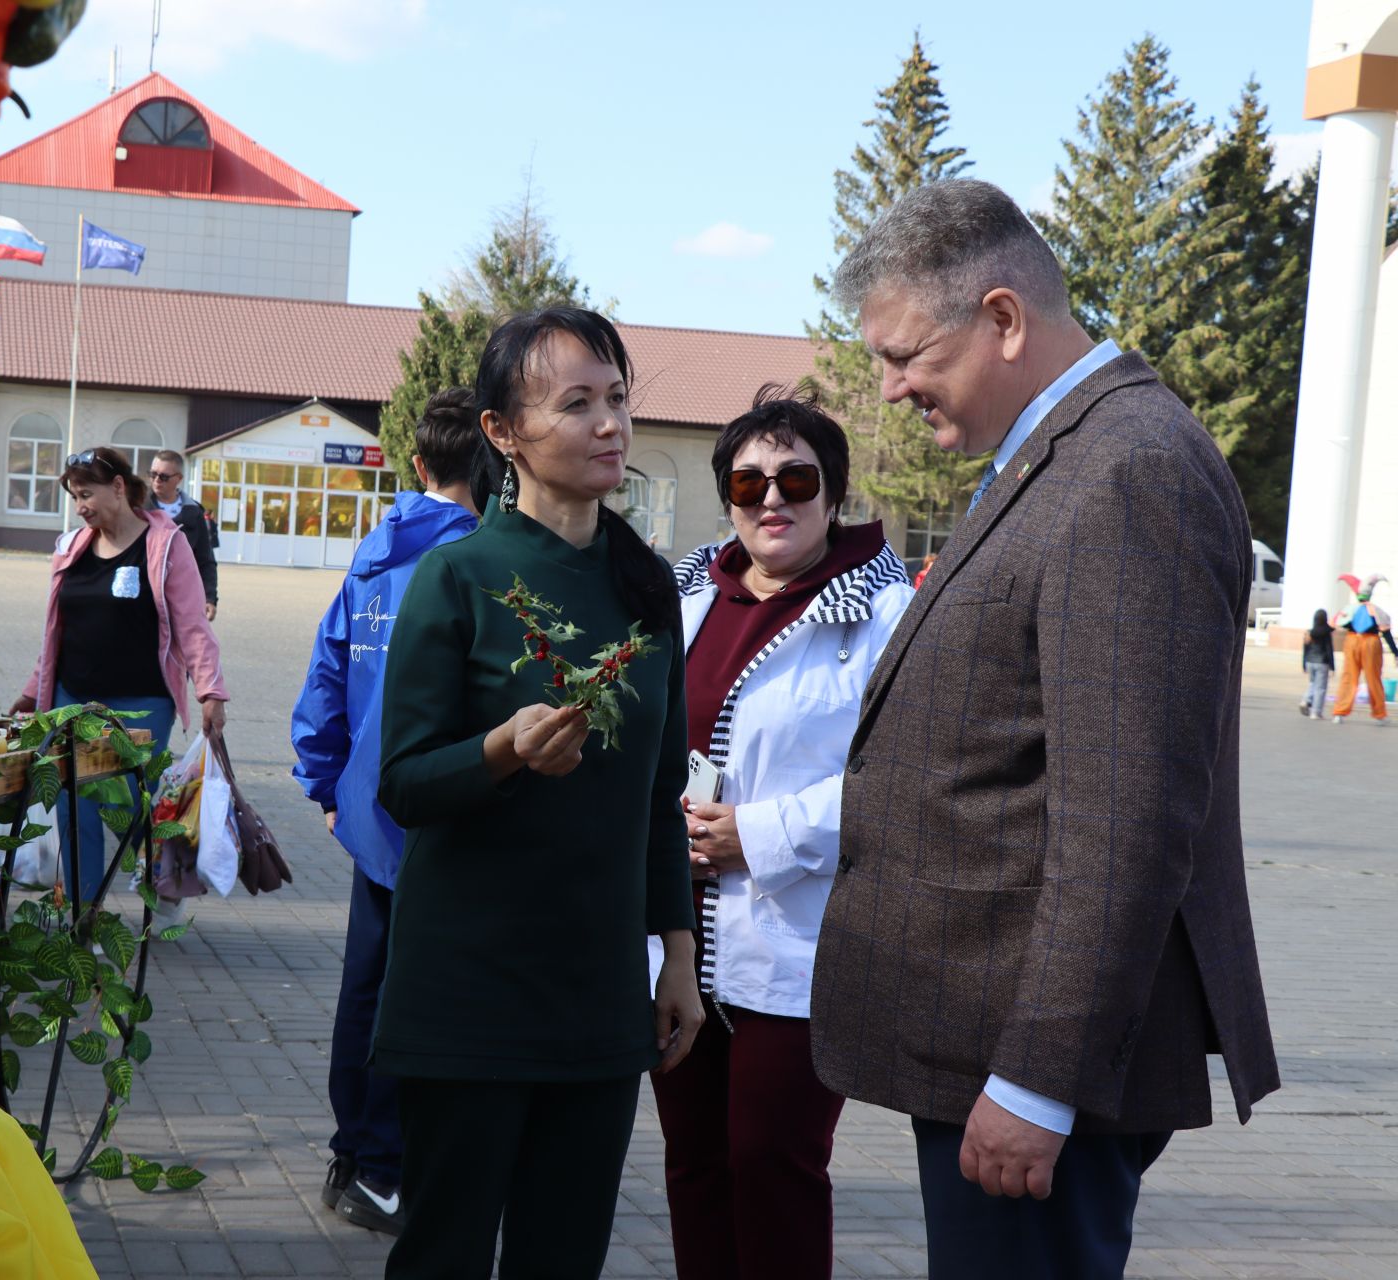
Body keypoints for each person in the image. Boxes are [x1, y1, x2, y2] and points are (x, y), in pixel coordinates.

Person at [812, 179, 1280, 1280]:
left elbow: (1125, 819)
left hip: (1028, 1075)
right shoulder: (1059, 454)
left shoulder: (1130, 470)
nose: (887, 389)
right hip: (989, 1045)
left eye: (904, 355)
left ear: (1004, 318)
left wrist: (1038, 1079)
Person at [373, 308, 703, 1279]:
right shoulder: (458, 576)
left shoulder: (647, 584)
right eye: (576, 404)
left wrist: (677, 953)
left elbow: (660, 793)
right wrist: (502, 750)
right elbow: (404, 783)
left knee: (563, 1258)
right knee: (446, 1254)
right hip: (466, 988)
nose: (610, 425)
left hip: (598, 998)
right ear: (503, 432)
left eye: (617, 399)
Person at [648, 387, 914, 1279]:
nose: (772, 499)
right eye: (749, 479)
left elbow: (904, 777)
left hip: (798, 943)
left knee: (773, 1162)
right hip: (673, 936)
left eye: (796, 479)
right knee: (692, 1164)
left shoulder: (885, 620)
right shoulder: (681, 596)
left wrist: (758, 835)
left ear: (833, 496)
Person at [290, 388, 488, 1237]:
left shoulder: (374, 554)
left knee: (367, 993)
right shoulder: (486, 562)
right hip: (449, 826)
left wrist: (326, 785)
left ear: (416, 466)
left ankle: (360, 1159)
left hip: (374, 823)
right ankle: (387, 1168)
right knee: (430, 1004)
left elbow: (325, 676)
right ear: (497, 459)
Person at [10, 446, 226, 905]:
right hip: (72, 698)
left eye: (86, 494)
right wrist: (34, 691)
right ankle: (83, 915)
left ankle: (165, 876)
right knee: (75, 806)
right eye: (74, 497)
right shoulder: (71, 548)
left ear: (119, 488)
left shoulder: (166, 545)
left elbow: (192, 626)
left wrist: (210, 690)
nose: (80, 505)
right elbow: (55, 632)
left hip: (143, 701)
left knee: (124, 802)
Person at [148, 449, 219, 621]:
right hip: (145, 596)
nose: (157, 480)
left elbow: (205, 560)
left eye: (164, 476)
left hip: (181, 599)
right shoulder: (137, 509)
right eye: (153, 474)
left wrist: (209, 597)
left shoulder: (194, 513)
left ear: (178, 479)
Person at [1329, 573, 1392, 724]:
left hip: (1351, 641)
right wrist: (1395, 652)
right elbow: (1386, 632)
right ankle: (1380, 714)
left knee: (1348, 677)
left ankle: (1340, 712)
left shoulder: (1349, 609)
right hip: (1370, 642)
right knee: (1373, 678)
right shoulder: (1376, 610)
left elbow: (1335, 624)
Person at [1302, 609, 1334, 718]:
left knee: (1312, 683)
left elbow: (1305, 649)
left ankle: (1306, 700)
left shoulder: (1309, 632)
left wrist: (1304, 664)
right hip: (1322, 662)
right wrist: (1332, 667)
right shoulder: (1326, 633)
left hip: (1310, 661)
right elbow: (1329, 649)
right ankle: (1316, 712)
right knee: (1320, 688)